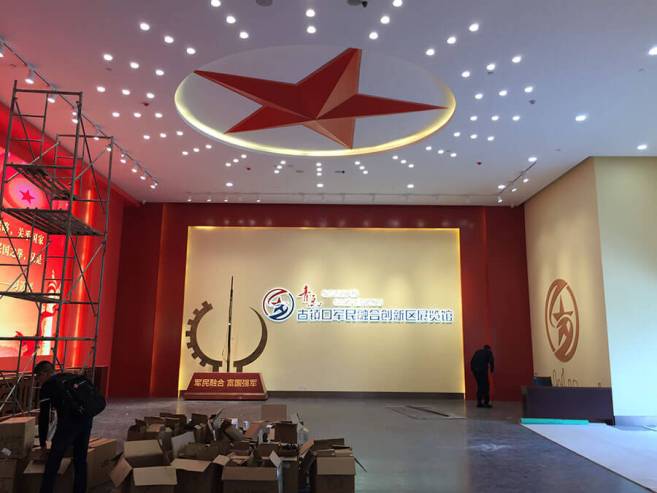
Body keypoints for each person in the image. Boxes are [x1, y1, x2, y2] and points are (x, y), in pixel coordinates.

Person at [34, 361, 93, 493]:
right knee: (80, 459)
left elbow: (44, 416)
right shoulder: (69, 377)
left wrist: (43, 443)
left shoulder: (48, 386)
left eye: (38, 377)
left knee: (53, 461)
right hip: (86, 420)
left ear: (44, 373)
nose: (38, 381)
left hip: (69, 424)